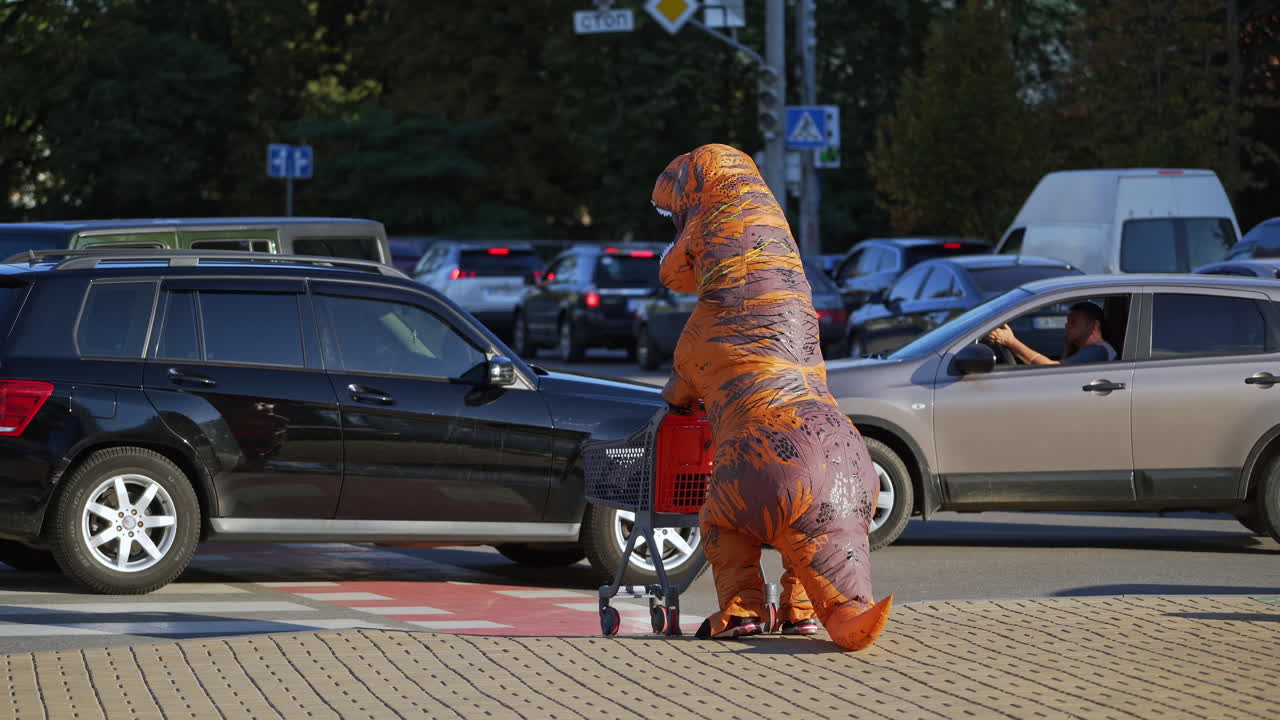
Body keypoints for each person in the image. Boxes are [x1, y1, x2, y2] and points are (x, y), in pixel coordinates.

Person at [651, 143, 892, 651]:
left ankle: (741, 610)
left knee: (722, 518)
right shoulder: (800, 313)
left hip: (770, 449)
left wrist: (679, 399)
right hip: (848, 453)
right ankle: (811, 611)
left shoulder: (708, 327)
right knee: (811, 533)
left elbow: (682, 369)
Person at [986, 301, 1117, 365]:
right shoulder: (1088, 350)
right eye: (1067, 321)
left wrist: (1011, 342)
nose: (1067, 325)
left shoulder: (1098, 351)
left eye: (1073, 322)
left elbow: (1052, 369)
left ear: (1094, 326)